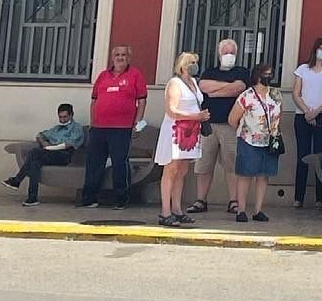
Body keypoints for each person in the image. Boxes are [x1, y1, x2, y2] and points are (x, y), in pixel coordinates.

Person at [79, 42, 148, 209]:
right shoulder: (103, 76)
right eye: (117, 55)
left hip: (122, 128)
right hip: (99, 128)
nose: (120, 58)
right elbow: (94, 100)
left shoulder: (135, 75)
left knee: (119, 163)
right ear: (112, 58)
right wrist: (92, 122)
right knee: (94, 163)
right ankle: (89, 198)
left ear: (129, 58)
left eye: (123, 55)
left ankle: (121, 199)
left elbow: (142, 100)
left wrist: (137, 123)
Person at [191, 37, 249, 216]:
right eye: (225, 52)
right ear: (219, 54)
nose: (229, 55)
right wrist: (227, 87)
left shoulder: (242, 72)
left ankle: (233, 201)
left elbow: (238, 88)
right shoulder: (209, 71)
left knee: (232, 165)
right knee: (204, 165)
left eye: (232, 52)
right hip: (208, 125)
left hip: (230, 126)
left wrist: (216, 90)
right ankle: (201, 200)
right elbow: (203, 86)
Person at [154, 51, 207, 226]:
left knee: (182, 171)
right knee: (171, 169)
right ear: (183, 65)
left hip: (190, 131)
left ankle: (177, 209)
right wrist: (196, 116)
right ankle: (165, 211)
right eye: (191, 62)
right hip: (176, 130)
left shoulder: (193, 82)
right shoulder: (175, 84)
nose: (194, 65)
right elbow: (172, 111)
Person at [228, 63, 282, 223]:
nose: (269, 76)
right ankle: (241, 210)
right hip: (248, 140)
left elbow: (279, 114)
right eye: (266, 74)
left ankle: (258, 209)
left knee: (264, 175)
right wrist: (244, 131)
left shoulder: (276, 94)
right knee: (245, 175)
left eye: (271, 73)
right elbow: (232, 119)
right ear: (258, 76)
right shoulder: (247, 96)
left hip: (270, 141)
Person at [291, 35, 322, 210]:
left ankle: (320, 199)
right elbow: (296, 93)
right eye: (321, 48)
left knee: (321, 157)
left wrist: (316, 112)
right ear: (315, 49)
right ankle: (298, 198)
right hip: (302, 116)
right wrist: (306, 111)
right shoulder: (303, 69)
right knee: (302, 156)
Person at [3, 102, 84, 205]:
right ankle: (32, 198)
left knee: (35, 152)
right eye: (60, 117)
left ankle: (17, 180)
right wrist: (44, 142)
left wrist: (49, 148)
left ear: (71, 115)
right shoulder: (56, 129)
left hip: (64, 156)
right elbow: (39, 135)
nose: (62, 120)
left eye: (65, 117)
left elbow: (69, 144)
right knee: (35, 163)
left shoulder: (77, 128)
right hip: (49, 154)